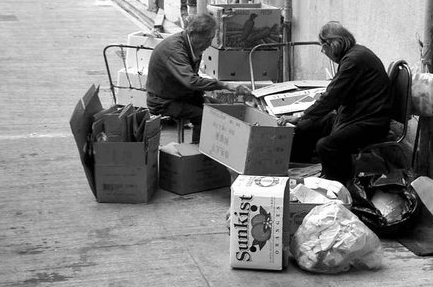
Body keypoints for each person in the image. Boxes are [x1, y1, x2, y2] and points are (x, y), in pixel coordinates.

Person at [277, 21, 391, 185]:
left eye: (324, 46)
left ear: (334, 44)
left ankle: (340, 187)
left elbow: (332, 96)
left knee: (327, 146)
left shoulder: (354, 60)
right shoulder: (353, 56)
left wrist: (301, 115)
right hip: (356, 114)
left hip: (370, 123)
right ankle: (295, 172)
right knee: (305, 127)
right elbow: (336, 94)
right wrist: (304, 118)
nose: (323, 51)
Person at [146, 13, 252, 143]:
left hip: (181, 95)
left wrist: (203, 97)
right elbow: (190, 81)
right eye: (207, 39)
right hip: (163, 101)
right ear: (193, 34)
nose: (209, 43)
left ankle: (218, 149)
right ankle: (197, 155)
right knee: (203, 117)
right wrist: (225, 85)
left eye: (211, 38)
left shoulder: (194, 46)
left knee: (221, 110)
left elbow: (193, 79)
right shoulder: (175, 50)